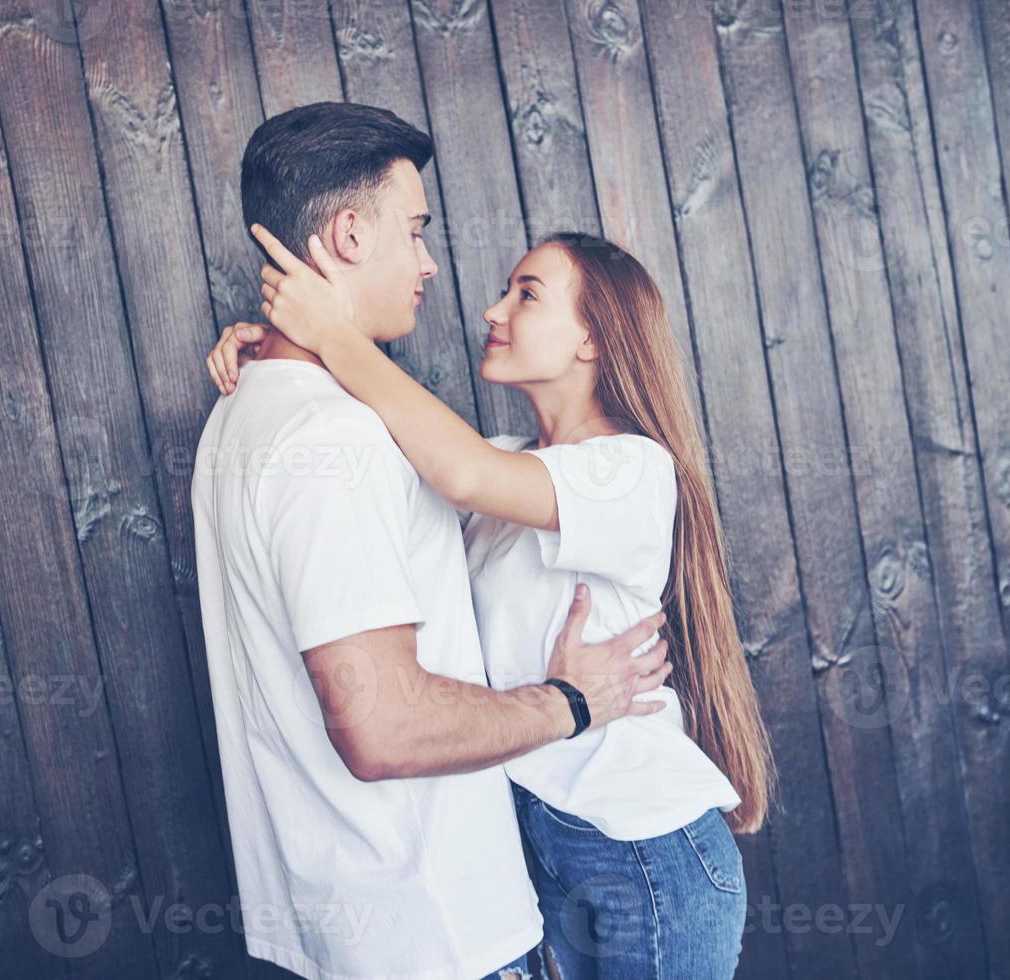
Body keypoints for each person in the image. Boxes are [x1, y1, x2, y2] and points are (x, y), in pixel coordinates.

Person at [205, 220, 776, 978]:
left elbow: (462, 471)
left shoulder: (632, 472)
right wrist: (283, 355)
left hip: (644, 857)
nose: (493, 311)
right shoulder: (505, 465)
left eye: (528, 295)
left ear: (592, 339)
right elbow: (418, 454)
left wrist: (332, 336)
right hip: (544, 841)